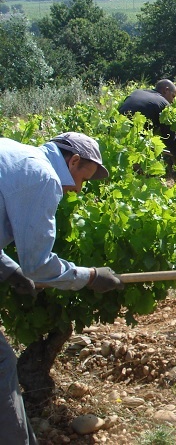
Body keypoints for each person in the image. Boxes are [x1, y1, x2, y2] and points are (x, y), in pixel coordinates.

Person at [0, 131, 125, 445]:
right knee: (2, 365)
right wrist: (91, 276)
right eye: (83, 177)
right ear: (74, 160)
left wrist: (10, 270)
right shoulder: (43, 177)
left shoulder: (13, 152)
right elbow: (38, 265)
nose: (78, 188)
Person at [118, 79, 176, 172]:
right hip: (135, 142)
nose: (173, 101)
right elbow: (170, 139)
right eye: (173, 96)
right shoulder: (163, 104)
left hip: (116, 134)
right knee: (143, 172)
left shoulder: (136, 92)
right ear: (166, 90)